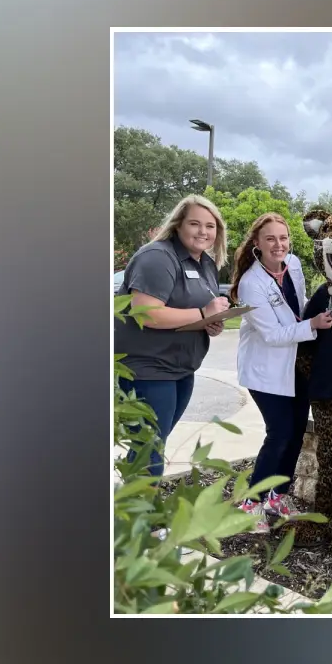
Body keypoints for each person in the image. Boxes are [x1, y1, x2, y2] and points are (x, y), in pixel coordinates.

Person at [229, 213, 332, 531]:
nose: (279, 244)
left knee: (296, 431)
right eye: (270, 239)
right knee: (279, 433)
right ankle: (250, 501)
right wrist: (312, 325)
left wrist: (315, 319)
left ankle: (277, 495)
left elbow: (298, 304)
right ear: (257, 245)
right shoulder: (251, 283)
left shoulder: (294, 264)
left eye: (283, 237)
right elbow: (273, 335)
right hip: (265, 370)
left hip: (294, 366)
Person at [114, 194, 231, 478]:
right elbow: (148, 313)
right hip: (148, 371)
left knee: (152, 448)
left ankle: (134, 515)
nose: (203, 232)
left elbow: (195, 311)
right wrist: (204, 313)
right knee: (149, 453)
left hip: (181, 370)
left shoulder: (205, 263)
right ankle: (137, 520)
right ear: (178, 225)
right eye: (195, 224)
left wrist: (211, 322)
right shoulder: (157, 257)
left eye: (211, 226)